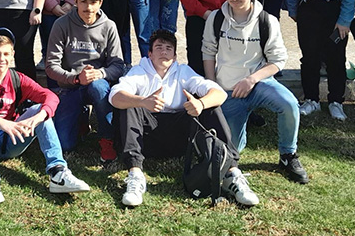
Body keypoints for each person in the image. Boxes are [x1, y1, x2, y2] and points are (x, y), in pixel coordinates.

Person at [110, 30, 258, 208]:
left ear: (174, 56)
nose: (163, 52)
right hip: (146, 137)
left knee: (211, 107)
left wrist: (201, 104)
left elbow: (218, 92)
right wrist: (143, 101)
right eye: (158, 47)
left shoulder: (183, 71)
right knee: (130, 104)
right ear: (149, 53)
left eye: (168, 48)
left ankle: (231, 173)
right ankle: (135, 175)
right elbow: (115, 96)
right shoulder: (139, 71)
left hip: (182, 137)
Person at [0, 28, 90, 210]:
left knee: (39, 110)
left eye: (6, 54)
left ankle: (58, 172)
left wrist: (39, 117)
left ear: (12, 54)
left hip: (9, 140)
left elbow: (50, 97)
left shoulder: (18, 79)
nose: (1, 59)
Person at [202, 0, 309, 184]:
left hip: (258, 84)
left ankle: (288, 155)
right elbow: (208, 53)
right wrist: (213, 87)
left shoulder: (267, 21)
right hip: (228, 91)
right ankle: (237, 140)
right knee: (232, 151)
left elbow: (278, 60)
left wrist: (252, 79)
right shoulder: (215, 18)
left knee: (289, 105)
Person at [45, 0, 124, 162]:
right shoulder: (61, 24)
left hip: (97, 84)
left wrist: (101, 73)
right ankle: (80, 117)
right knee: (65, 144)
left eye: (93, 2)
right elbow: (51, 66)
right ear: (76, 2)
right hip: (70, 85)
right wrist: (75, 78)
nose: (88, 7)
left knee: (98, 87)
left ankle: (107, 137)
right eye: (83, 1)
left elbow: (118, 65)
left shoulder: (109, 26)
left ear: (100, 3)